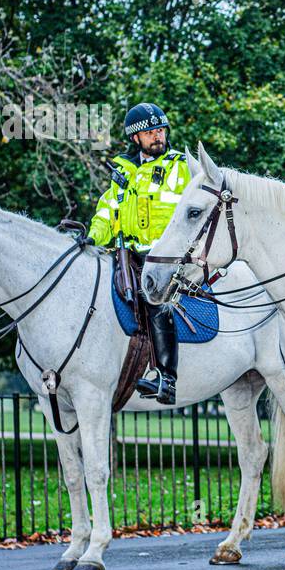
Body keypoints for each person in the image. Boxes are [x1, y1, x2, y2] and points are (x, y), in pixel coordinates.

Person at [85, 102, 192, 403]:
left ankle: (166, 379)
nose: (158, 136)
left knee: (156, 298)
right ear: (136, 139)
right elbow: (108, 211)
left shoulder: (182, 167)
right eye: (150, 132)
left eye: (160, 130)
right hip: (128, 254)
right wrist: (92, 238)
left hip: (166, 258)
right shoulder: (124, 172)